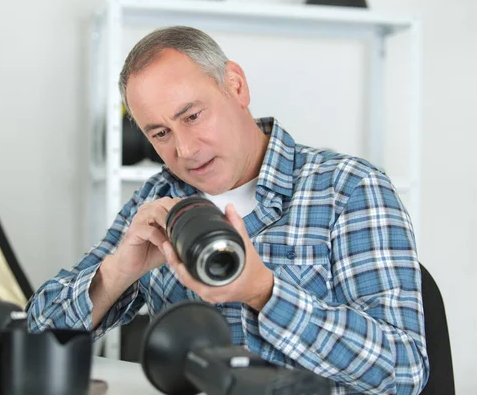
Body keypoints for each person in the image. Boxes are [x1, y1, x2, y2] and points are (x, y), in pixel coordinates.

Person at [26, 26, 429, 394]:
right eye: (161, 133)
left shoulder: (347, 188)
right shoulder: (159, 199)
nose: (185, 150)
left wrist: (264, 291)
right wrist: (116, 273)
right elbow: (32, 340)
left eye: (193, 116)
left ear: (235, 86)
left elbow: (404, 371)